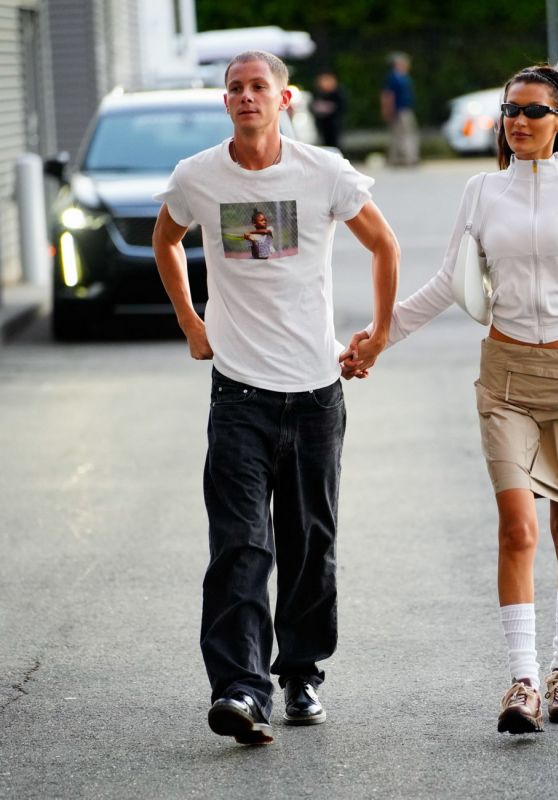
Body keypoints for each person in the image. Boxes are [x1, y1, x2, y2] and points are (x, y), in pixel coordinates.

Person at [152, 50, 399, 745]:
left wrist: (377, 336)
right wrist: (190, 321)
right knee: (240, 544)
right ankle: (240, 688)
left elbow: (385, 245)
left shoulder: (322, 171)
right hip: (238, 394)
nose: (246, 97)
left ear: (284, 100)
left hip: (316, 394)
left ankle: (301, 674)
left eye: (259, 87)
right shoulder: (198, 176)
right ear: (225, 101)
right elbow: (166, 239)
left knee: (309, 542)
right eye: (235, 88)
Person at [343, 63, 558, 735]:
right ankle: (523, 683)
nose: (517, 121)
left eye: (533, 110)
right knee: (518, 527)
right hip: (507, 380)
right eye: (509, 110)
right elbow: (447, 281)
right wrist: (380, 337)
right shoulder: (480, 191)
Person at [380, 52, 420, 166]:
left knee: (400, 134)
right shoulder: (394, 77)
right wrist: (388, 109)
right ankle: (409, 158)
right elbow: (388, 95)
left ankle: (397, 158)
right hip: (400, 109)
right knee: (406, 134)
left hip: (405, 108)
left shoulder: (403, 76)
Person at [310, 71, 347, 150]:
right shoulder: (318, 93)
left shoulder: (338, 93)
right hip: (322, 126)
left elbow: (342, 107)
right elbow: (312, 107)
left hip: (334, 125)